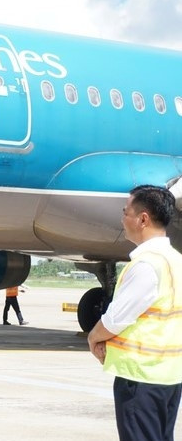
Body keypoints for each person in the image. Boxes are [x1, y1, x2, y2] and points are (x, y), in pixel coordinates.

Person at [87, 185, 182, 441]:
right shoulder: (175, 260)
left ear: (143, 219)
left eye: (125, 211)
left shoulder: (146, 264)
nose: (122, 218)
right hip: (169, 375)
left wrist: (94, 336)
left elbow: (118, 318)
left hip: (140, 378)